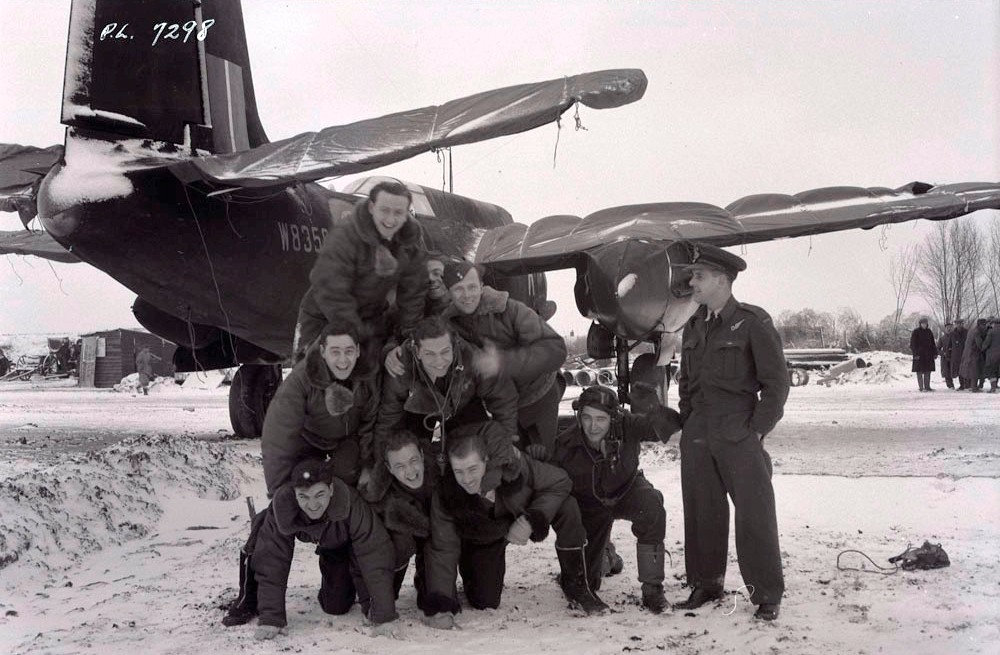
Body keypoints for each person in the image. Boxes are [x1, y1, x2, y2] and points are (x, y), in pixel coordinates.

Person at [673, 242, 790, 622]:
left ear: (722, 280)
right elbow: (686, 383)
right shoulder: (693, 325)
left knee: (755, 514)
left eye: (699, 276)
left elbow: (777, 384)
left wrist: (757, 430)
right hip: (699, 433)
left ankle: (766, 593)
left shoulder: (752, 322)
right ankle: (706, 584)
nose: (692, 283)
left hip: (739, 431)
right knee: (701, 511)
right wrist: (689, 421)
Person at [422, 422, 609, 628]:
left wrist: (532, 518)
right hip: (484, 534)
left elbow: (560, 481)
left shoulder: (513, 465)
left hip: (517, 512)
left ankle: (576, 584)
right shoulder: (447, 493)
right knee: (485, 601)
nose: (466, 479)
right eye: (459, 471)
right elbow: (442, 547)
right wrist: (441, 605)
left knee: (567, 505)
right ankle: (470, 565)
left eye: (472, 469)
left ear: (487, 460)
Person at [233, 459, 400, 640]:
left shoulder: (351, 502)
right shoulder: (283, 507)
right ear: (294, 494)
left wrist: (383, 617)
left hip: (351, 547)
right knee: (335, 606)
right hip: (330, 549)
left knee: (363, 587)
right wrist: (271, 618)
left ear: (331, 489)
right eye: (303, 496)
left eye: (319, 494)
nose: (312, 505)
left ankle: (361, 585)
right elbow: (272, 562)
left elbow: (374, 554)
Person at [549, 384, 681, 613]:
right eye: (587, 418)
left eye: (601, 419)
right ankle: (607, 557)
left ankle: (653, 590)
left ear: (613, 418)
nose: (593, 426)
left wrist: (654, 409)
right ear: (579, 417)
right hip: (589, 507)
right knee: (588, 582)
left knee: (651, 503)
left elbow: (667, 427)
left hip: (625, 491)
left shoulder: (627, 424)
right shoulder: (565, 444)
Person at [440, 261, 567, 460]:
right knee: (509, 460)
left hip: (538, 396)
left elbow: (555, 349)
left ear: (482, 286)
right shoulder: (449, 324)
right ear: (449, 292)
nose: (466, 295)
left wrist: (503, 362)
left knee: (539, 460)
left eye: (472, 287)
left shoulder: (511, 310)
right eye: (458, 289)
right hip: (501, 404)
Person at [294, 180, 428, 364]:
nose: (391, 220)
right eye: (385, 210)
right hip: (323, 315)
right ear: (372, 208)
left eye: (398, 213)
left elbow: (413, 293)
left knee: (368, 375)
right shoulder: (347, 235)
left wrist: (410, 337)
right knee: (313, 373)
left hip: (370, 317)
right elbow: (330, 291)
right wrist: (355, 336)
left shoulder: (410, 242)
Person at [373, 315, 519, 462]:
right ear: (417, 352)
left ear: (454, 347)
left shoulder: (470, 356)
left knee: (480, 453)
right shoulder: (401, 368)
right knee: (427, 458)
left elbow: (502, 396)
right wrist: (380, 463)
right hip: (425, 419)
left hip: (464, 411)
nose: (439, 361)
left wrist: (508, 439)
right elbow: (389, 420)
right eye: (430, 354)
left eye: (445, 352)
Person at [261, 319, 378, 494]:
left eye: (349, 351)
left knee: (346, 478)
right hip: (309, 441)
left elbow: (371, 422)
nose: (343, 360)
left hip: (348, 441)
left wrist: (368, 464)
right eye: (335, 352)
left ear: (358, 351)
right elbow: (279, 434)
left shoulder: (368, 376)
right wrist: (278, 490)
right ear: (323, 351)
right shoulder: (301, 378)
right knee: (306, 481)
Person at [361, 429, 439, 610]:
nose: (410, 471)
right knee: (400, 541)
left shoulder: (440, 471)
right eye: (400, 466)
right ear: (389, 469)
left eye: (413, 461)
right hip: (405, 542)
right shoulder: (383, 498)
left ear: (422, 455)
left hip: (439, 540)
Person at [910, 317, 938, 392]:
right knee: (919, 372)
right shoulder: (916, 332)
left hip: (928, 355)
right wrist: (915, 354)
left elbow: (933, 344)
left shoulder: (929, 332)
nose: (924, 325)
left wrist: (935, 353)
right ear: (920, 324)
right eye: (923, 323)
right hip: (919, 356)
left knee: (927, 371)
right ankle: (921, 387)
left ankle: (927, 387)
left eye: (925, 323)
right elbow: (912, 344)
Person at [960, 318, 988, 392]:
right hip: (973, 354)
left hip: (969, 353)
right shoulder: (976, 332)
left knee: (972, 370)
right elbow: (980, 344)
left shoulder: (972, 330)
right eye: (983, 325)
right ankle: (974, 388)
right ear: (979, 325)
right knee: (974, 370)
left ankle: (973, 386)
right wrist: (986, 345)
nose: (985, 326)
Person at [981, 317, 1000, 393]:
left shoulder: (991, 332)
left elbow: (986, 343)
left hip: (993, 355)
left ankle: (993, 388)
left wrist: (982, 348)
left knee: (992, 371)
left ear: (994, 323)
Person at [951, 318, 969, 389]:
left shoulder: (966, 332)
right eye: (957, 324)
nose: (959, 325)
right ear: (955, 324)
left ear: (962, 324)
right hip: (956, 355)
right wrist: (949, 354)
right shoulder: (952, 333)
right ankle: (962, 385)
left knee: (966, 369)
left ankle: (967, 384)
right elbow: (950, 344)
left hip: (965, 353)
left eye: (960, 323)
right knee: (959, 370)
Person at [937, 322, 954, 389]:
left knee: (955, 371)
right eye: (947, 328)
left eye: (950, 327)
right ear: (945, 329)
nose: (949, 329)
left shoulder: (955, 337)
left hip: (954, 357)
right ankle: (950, 385)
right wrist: (943, 353)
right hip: (945, 358)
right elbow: (937, 349)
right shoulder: (942, 338)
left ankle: (963, 385)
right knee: (946, 372)